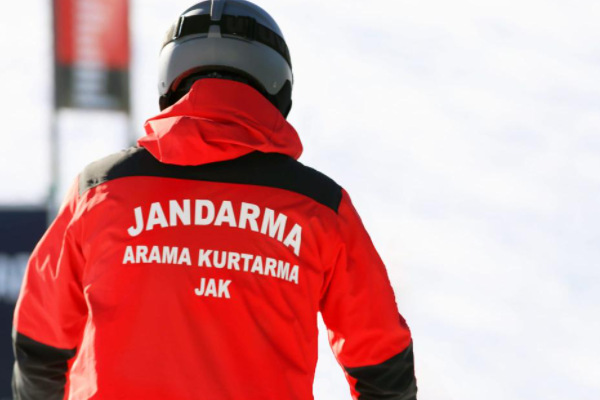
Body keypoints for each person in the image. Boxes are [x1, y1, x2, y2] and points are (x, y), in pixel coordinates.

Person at [12, 1, 418, 399]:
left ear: (170, 80)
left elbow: (40, 341)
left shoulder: (100, 190)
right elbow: (381, 362)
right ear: (278, 85)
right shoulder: (320, 207)